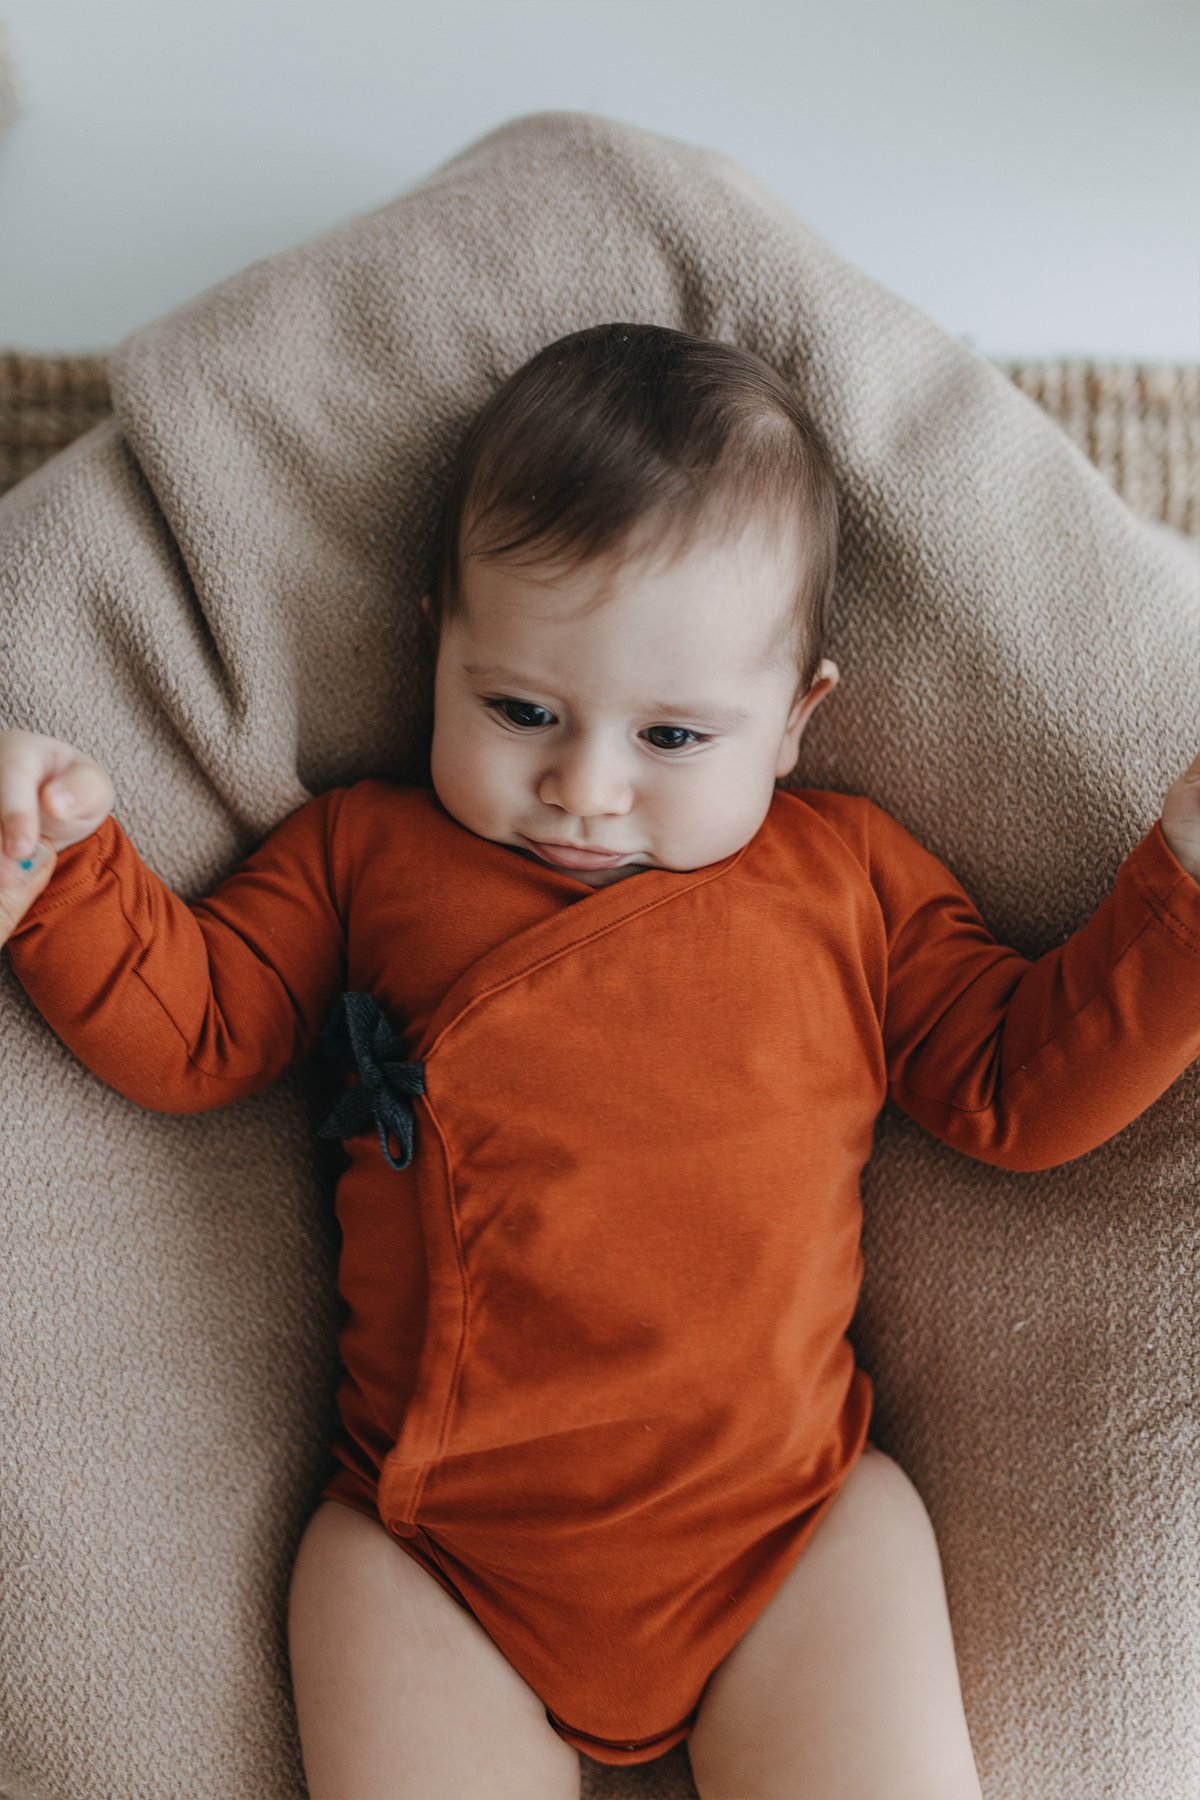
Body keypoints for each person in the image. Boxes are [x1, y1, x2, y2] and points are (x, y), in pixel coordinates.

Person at [2, 323, 1198, 1800]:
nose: (584, 787)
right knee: (350, 1590)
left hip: (785, 1530)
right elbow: (199, 1028)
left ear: (795, 722)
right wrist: (59, 872)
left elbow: (1022, 1087)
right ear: (437, 634)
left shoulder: (854, 886)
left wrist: (1181, 895)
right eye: (518, 711)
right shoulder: (365, 855)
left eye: (677, 734)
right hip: (433, 1553)